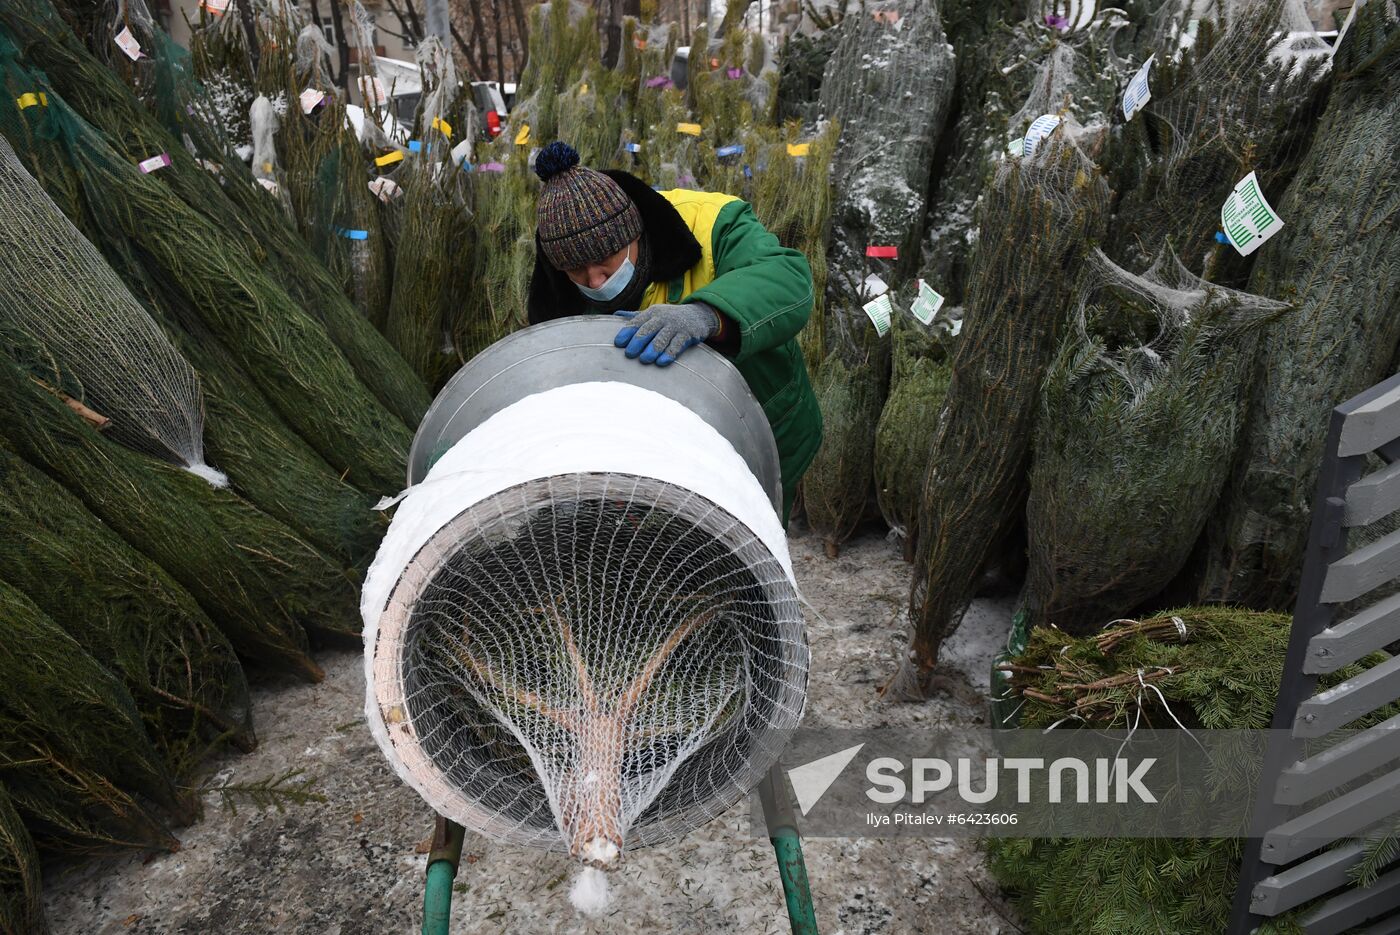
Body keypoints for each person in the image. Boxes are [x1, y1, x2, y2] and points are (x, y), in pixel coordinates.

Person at [526, 141, 821, 525]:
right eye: (578, 272)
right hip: (660, 452)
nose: (595, 281)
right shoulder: (555, 294)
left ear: (634, 234)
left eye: (604, 263)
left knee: (748, 535)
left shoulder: (712, 222)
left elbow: (788, 279)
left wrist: (707, 314)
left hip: (761, 422)